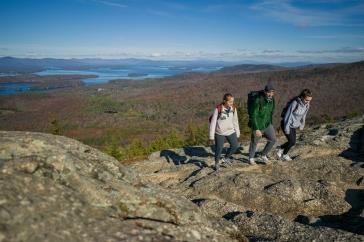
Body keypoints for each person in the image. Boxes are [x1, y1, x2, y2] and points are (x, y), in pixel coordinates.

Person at [276, 89, 312, 161]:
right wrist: (286, 128)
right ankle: (284, 155)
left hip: (293, 125)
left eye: (309, 100)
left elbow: (304, 115)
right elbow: (287, 116)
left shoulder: (307, 105)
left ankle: (280, 148)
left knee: (292, 142)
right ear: (302, 97)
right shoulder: (295, 103)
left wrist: (302, 124)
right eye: (306, 100)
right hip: (286, 124)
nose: (307, 102)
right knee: (292, 141)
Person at [209, 93, 240, 170]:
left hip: (230, 131)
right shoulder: (218, 109)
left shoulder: (233, 108)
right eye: (230, 102)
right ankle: (216, 163)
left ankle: (226, 158)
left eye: (232, 101)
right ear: (224, 101)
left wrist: (237, 131)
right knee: (219, 148)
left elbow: (235, 121)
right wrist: (211, 136)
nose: (231, 103)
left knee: (234, 146)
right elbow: (213, 123)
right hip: (219, 132)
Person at [248, 83, 276, 165]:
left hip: (267, 124)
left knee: (273, 139)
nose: (270, 94)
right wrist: (256, 128)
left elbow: (271, 112)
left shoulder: (272, 99)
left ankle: (263, 155)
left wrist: (270, 123)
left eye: (272, 92)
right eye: (269, 92)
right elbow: (253, 115)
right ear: (265, 92)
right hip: (258, 125)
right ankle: (251, 158)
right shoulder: (258, 100)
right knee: (254, 142)